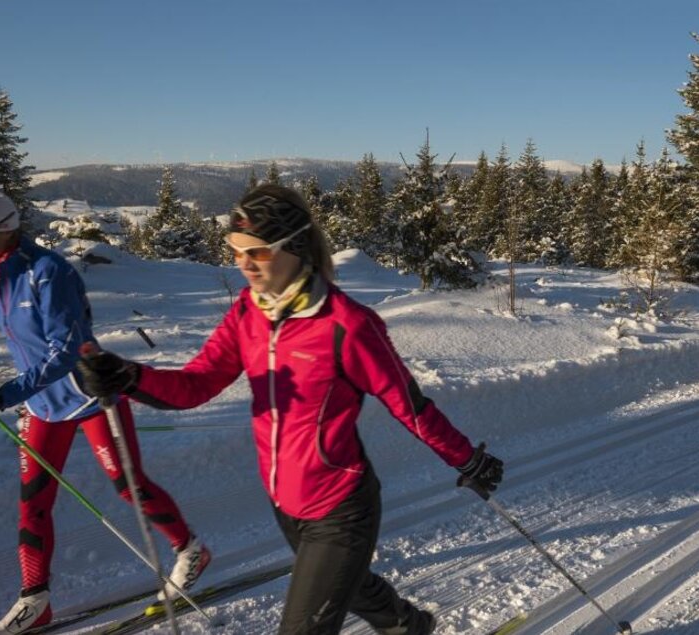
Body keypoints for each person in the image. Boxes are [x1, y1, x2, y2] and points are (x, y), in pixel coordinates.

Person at [78, 184, 504, 635]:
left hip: (341, 507)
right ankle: (408, 626)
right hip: (286, 503)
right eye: (236, 250)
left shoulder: (346, 324)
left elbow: (410, 407)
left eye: (258, 252)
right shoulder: (248, 312)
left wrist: (467, 460)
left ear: (295, 247)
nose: (244, 263)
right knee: (350, 585)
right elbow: (195, 385)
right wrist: (129, 376)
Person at [0, 188, 210, 635]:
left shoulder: (48, 272)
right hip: (43, 405)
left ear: (4, 229)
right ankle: (35, 600)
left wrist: (7, 393)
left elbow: (65, 351)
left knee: (128, 486)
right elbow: (26, 349)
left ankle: (190, 551)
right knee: (33, 503)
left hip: (91, 396)